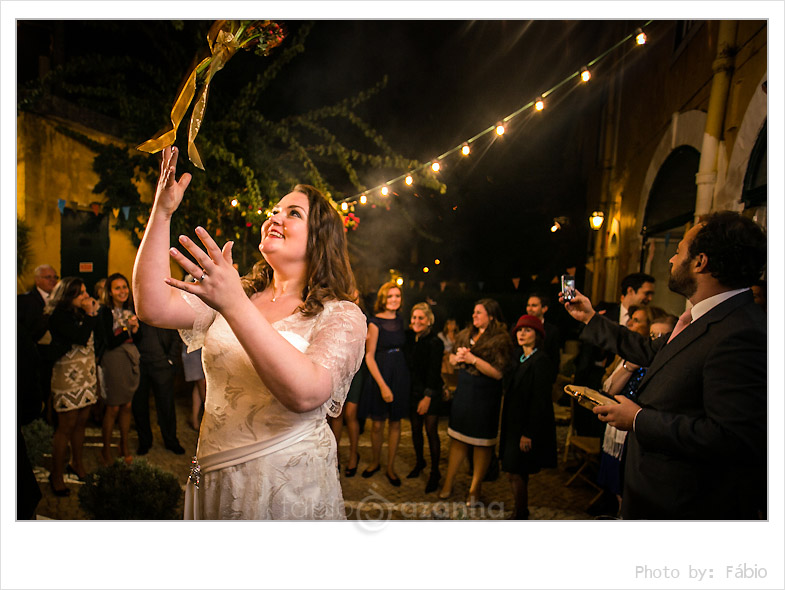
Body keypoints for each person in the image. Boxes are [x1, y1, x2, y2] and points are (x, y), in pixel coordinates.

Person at [132, 146, 366, 520]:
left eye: (294, 213)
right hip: (214, 470)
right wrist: (161, 213)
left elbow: (306, 393)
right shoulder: (236, 293)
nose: (276, 217)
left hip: (286, 485)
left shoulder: (341, 315)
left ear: (321, 238)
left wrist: (234, 304)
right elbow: (152, 306)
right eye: (274, 210)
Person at [562, 211, 766, 519]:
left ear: (700, 262)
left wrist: (639, 419)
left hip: (684, 505)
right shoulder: (705, 318)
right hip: (654, 493)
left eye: (679, 250)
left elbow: (733, 438)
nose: (671, 260)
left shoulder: (742, 332)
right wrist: (591, 318)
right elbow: (648, 349)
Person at [439, 298, 512, 506]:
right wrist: (458, 358)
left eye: (479, 313)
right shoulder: (464, 335)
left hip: (486, 394)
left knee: (482, 442)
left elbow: (498, 373)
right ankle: (449, 482)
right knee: (458, 438)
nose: (474, 316)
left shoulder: (500, 339)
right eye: (473, 312)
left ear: (491, 316)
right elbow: (452, 360)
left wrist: (473, 360)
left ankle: (475, 487)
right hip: (465, 391)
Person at [45, 277, 101, 495]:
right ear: (67, 297)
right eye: (80, 293)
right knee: (65, 427)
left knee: (81, 423)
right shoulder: (58, 315)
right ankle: (56, 474)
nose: (86, 296)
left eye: (86, 291)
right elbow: (80, 336)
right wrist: (90, 314)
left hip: (86, 375)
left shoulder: (81, 313)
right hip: (67, 378)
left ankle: (77, 463)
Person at [500, 315, 556, 519]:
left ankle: (520, 513)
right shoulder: (517, 356)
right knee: (517, 470)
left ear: (537, 335)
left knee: (514, 471)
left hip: (525, 426)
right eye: (519, 330)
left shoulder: (541, 360)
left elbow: (540, 400)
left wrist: (528, 433)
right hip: (513, 423)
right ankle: (520, 509)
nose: (522, 333)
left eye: (527, 330)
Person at [359, 281, 411, 486]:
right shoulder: (375, 322)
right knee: (377, 425)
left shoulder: (400, 320)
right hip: (381, 375)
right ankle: (374, 462)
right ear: (383, 299)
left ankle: (390, 467)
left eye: (397, 296)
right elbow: (369, 357)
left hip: (399, 374)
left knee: (396, 423)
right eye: (390, 296)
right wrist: (383, 385)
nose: (394, 300)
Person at [97, 273, 141, 465]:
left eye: (124, 287)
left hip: (130, 358)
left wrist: (136, 331)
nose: (122, 291)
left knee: (127, 406)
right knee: (113, 407)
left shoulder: (131, 309)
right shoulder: (105, 311)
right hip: (113, 360)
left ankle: (123, 444)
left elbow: (137, 340)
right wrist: (126, 330)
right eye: (117, 288)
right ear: (109, 292)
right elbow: (110, 341)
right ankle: (105, 448)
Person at [404, 302, 444, 493]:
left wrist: (427, 397)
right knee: (415, 430)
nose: (416, 321)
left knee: (431, 432)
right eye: (414, 318)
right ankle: (420, 462)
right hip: (412, 392)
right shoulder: (411, 339)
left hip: (431, 392)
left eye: (421, 318)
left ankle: (435, 472)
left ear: (429, 321)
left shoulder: (436, 342)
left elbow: (434, 372)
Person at [327, 290, 367, 478]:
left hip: (356, 371)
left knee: (351, 414)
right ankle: (334, 459)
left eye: (356, 296)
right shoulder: (336, 316)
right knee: (336, 415)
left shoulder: (362, 319)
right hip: (339, 369)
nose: (353, 298)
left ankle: (353, 455)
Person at [132, 320, 185, 455]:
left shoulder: (159, 308)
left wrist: (171, 359)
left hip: (162, 364)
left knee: (166, 405)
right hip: (139, 364)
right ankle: (144, 442)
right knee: (140, 406)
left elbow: (175, 332)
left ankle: (171, 441)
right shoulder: (133, 310)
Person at [525, 292, 562, 383]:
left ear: (544, 309)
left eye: (534, 305)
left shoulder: (552, 331)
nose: (530, 308)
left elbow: (554, 358)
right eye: (528, 305)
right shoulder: (518, 327)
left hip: (543, 378)